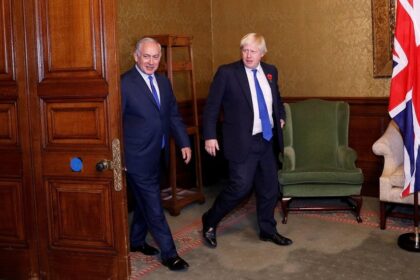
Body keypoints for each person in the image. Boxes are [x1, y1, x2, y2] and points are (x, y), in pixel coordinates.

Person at [201, 33, 292, 248]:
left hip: (267, 140)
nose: (248, 55)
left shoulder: (271, 72)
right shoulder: (227, 73)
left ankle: (268, 230)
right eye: (245, 50)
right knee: (240, 188)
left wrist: (280, 117)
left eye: (253, 51)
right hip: (242, 141)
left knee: (270, 188)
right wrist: (209, 136)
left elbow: (276, 99)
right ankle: (210, 220)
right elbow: (212, 106)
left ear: (262, 53)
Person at [121, 37, 191, 271]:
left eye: (156, 57)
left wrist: (184, 142)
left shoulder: (163, 81)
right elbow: (115, 124)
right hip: (135, 158)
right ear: (136, 56)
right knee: (153, 205)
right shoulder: (124, 83)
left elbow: (172, 115)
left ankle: (137, 241)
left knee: (144, 202)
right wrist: (120, 157)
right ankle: (170, 254)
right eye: (146, 56)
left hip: (158, 153)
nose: (151, 62)